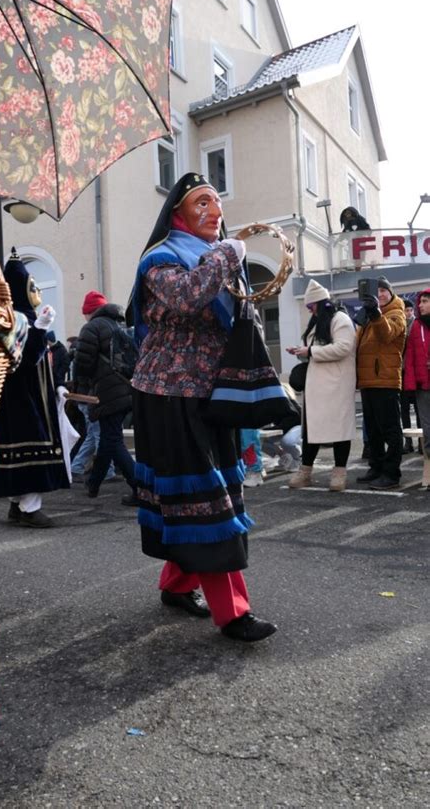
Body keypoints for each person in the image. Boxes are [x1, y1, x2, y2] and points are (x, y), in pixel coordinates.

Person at [129, 172, 276, 643]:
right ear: (176, 213)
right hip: (170, 394)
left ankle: (177, 584)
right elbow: (188, 296)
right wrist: (228, 254)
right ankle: (233, 612)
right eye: (201, 202)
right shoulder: (161, 257)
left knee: (201, 494)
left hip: (211, 392)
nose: (214, 210)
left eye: (217, 202)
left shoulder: (213, 259)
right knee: (209, 497)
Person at [0, 250, 70, 527]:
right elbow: (23, 360)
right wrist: (39, 328)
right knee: (29, 450)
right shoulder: (13, 320)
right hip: (21, 400)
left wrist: (58, 386)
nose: (36, 291)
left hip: (32, 397)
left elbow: (44, 363)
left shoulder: (23, 317)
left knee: (24, 450)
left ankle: (17, 506)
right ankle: (28, 508)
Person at [287, 279, 357, 492]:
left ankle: (339, 474)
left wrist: (310, 352)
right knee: (312, 429)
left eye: (311, 306)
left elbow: (344, 347)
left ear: (321, 303)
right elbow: (319, 348)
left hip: (336, 384)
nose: (310, 311)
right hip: (317, 385)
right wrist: (302, 350)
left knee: (339, 429)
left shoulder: (340, 319)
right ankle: (305, 471)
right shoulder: (319, 322)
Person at [73, 291, 138, 502]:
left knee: (112, 440)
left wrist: (80, 389)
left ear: (89, 312)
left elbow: (83, 363)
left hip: (106, 391)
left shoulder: (92, 327)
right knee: (108, 439)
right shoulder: (120, 325)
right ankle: (94, 483)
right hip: (126, 387)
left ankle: (140, 487)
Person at [355, 276, 406, 489]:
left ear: (391, 292)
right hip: (368, 382)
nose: (381, 294)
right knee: (373, 430)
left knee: (391, 430)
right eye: (378, 291)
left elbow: (386, 335)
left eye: (384, 290)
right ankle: (375, 467)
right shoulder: (368, 315)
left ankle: (392, 474)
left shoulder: (397, 314)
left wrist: (375, 313)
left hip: (386, 381)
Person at [403, 288, 430, 459]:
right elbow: (410, 359)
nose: (420, 305)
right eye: (420, 302)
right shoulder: (416, 327)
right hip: (423, 387)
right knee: (427, 430)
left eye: (425, 301)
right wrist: (410, 385)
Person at [401, 298, 421, 453]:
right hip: (402, 372)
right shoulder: (400, 326)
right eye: (406, 310)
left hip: (414, 372)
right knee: (405, 409)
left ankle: (422, 442)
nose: (408, 313)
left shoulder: (418, 325)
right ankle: (408, 442)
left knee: (420, 408)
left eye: (410, 310)